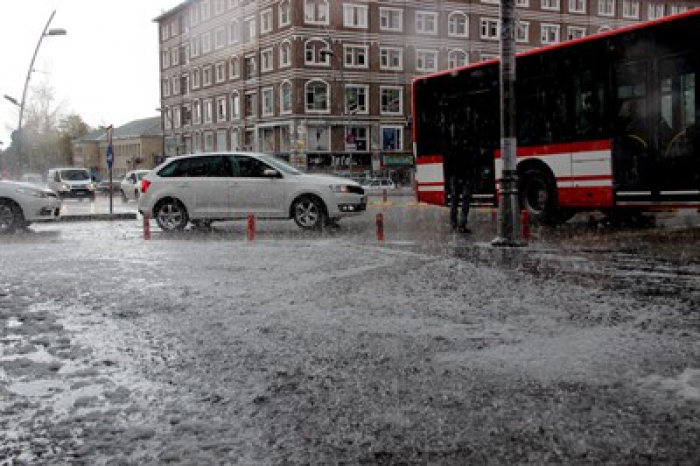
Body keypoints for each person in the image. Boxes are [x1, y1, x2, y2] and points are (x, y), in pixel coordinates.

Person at [448, 163, 473, 234]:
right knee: (465, 202)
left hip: (455, 175)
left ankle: (454, 224)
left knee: (454, 201)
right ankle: (462, 225)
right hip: (465, 176)